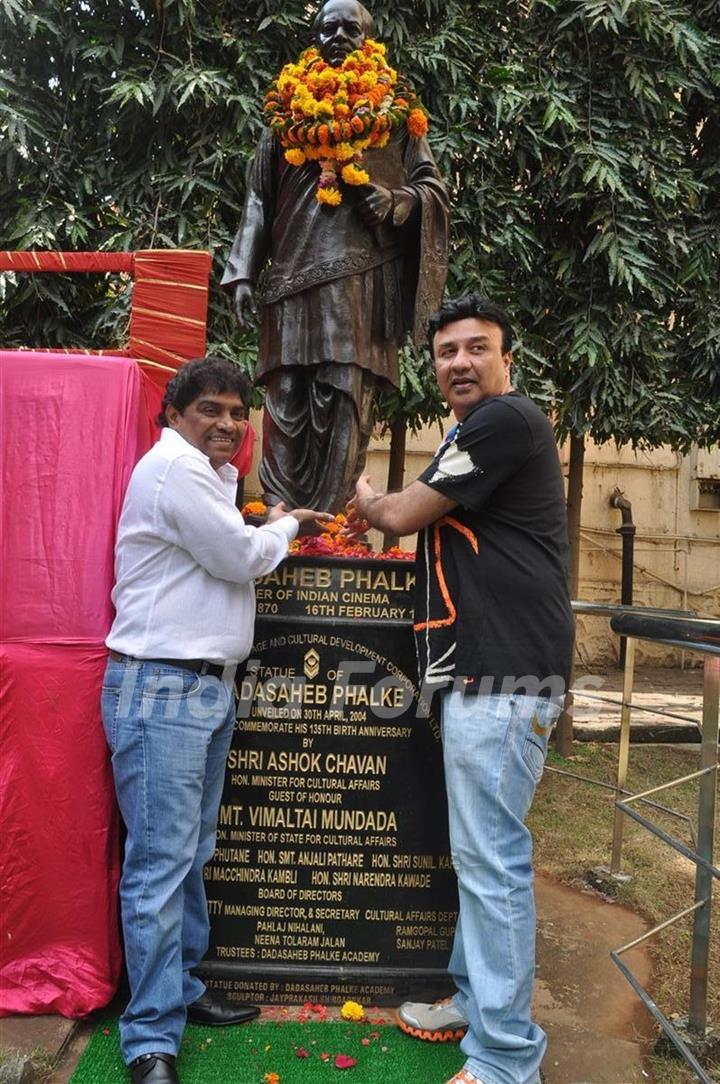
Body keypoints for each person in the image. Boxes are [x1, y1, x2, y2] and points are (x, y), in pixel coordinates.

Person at [345, 296, 574, 1084]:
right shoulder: (473, 432)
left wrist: (367, 498)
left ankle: (507, 1059)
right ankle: (476, 1005)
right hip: (482, 672)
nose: (461, 363)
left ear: (508, 358)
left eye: (478, 348)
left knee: (492, 863)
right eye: (447, 353)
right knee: (478, 857)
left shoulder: (504, 422)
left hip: (507, 673)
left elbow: (405, 514)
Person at [102, 357, 330, 1084]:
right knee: (161, 868)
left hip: (201, 689)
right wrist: (288, 525)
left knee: (190, 854)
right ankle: (148, 1040)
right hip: (161, 689)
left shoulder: (209, 475)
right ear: (173, 414)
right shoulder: (175, 471)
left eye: (238, 412)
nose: (229, 424)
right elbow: (237, 557)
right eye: (211, 410)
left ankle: (183, 991)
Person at [221, 0, 449, 513]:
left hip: (357, 282)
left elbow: (432, 188)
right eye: (330, 27)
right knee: (284, 403)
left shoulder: (395, 114)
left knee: (343, 397)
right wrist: (241, 270)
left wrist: (397, 201)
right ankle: (281, 519)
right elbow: (258, 198)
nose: (340, 36)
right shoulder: (284, 113)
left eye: (352, 27)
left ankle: (326, 524)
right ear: (315, 36)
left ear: (369, 39)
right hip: (288, 282)